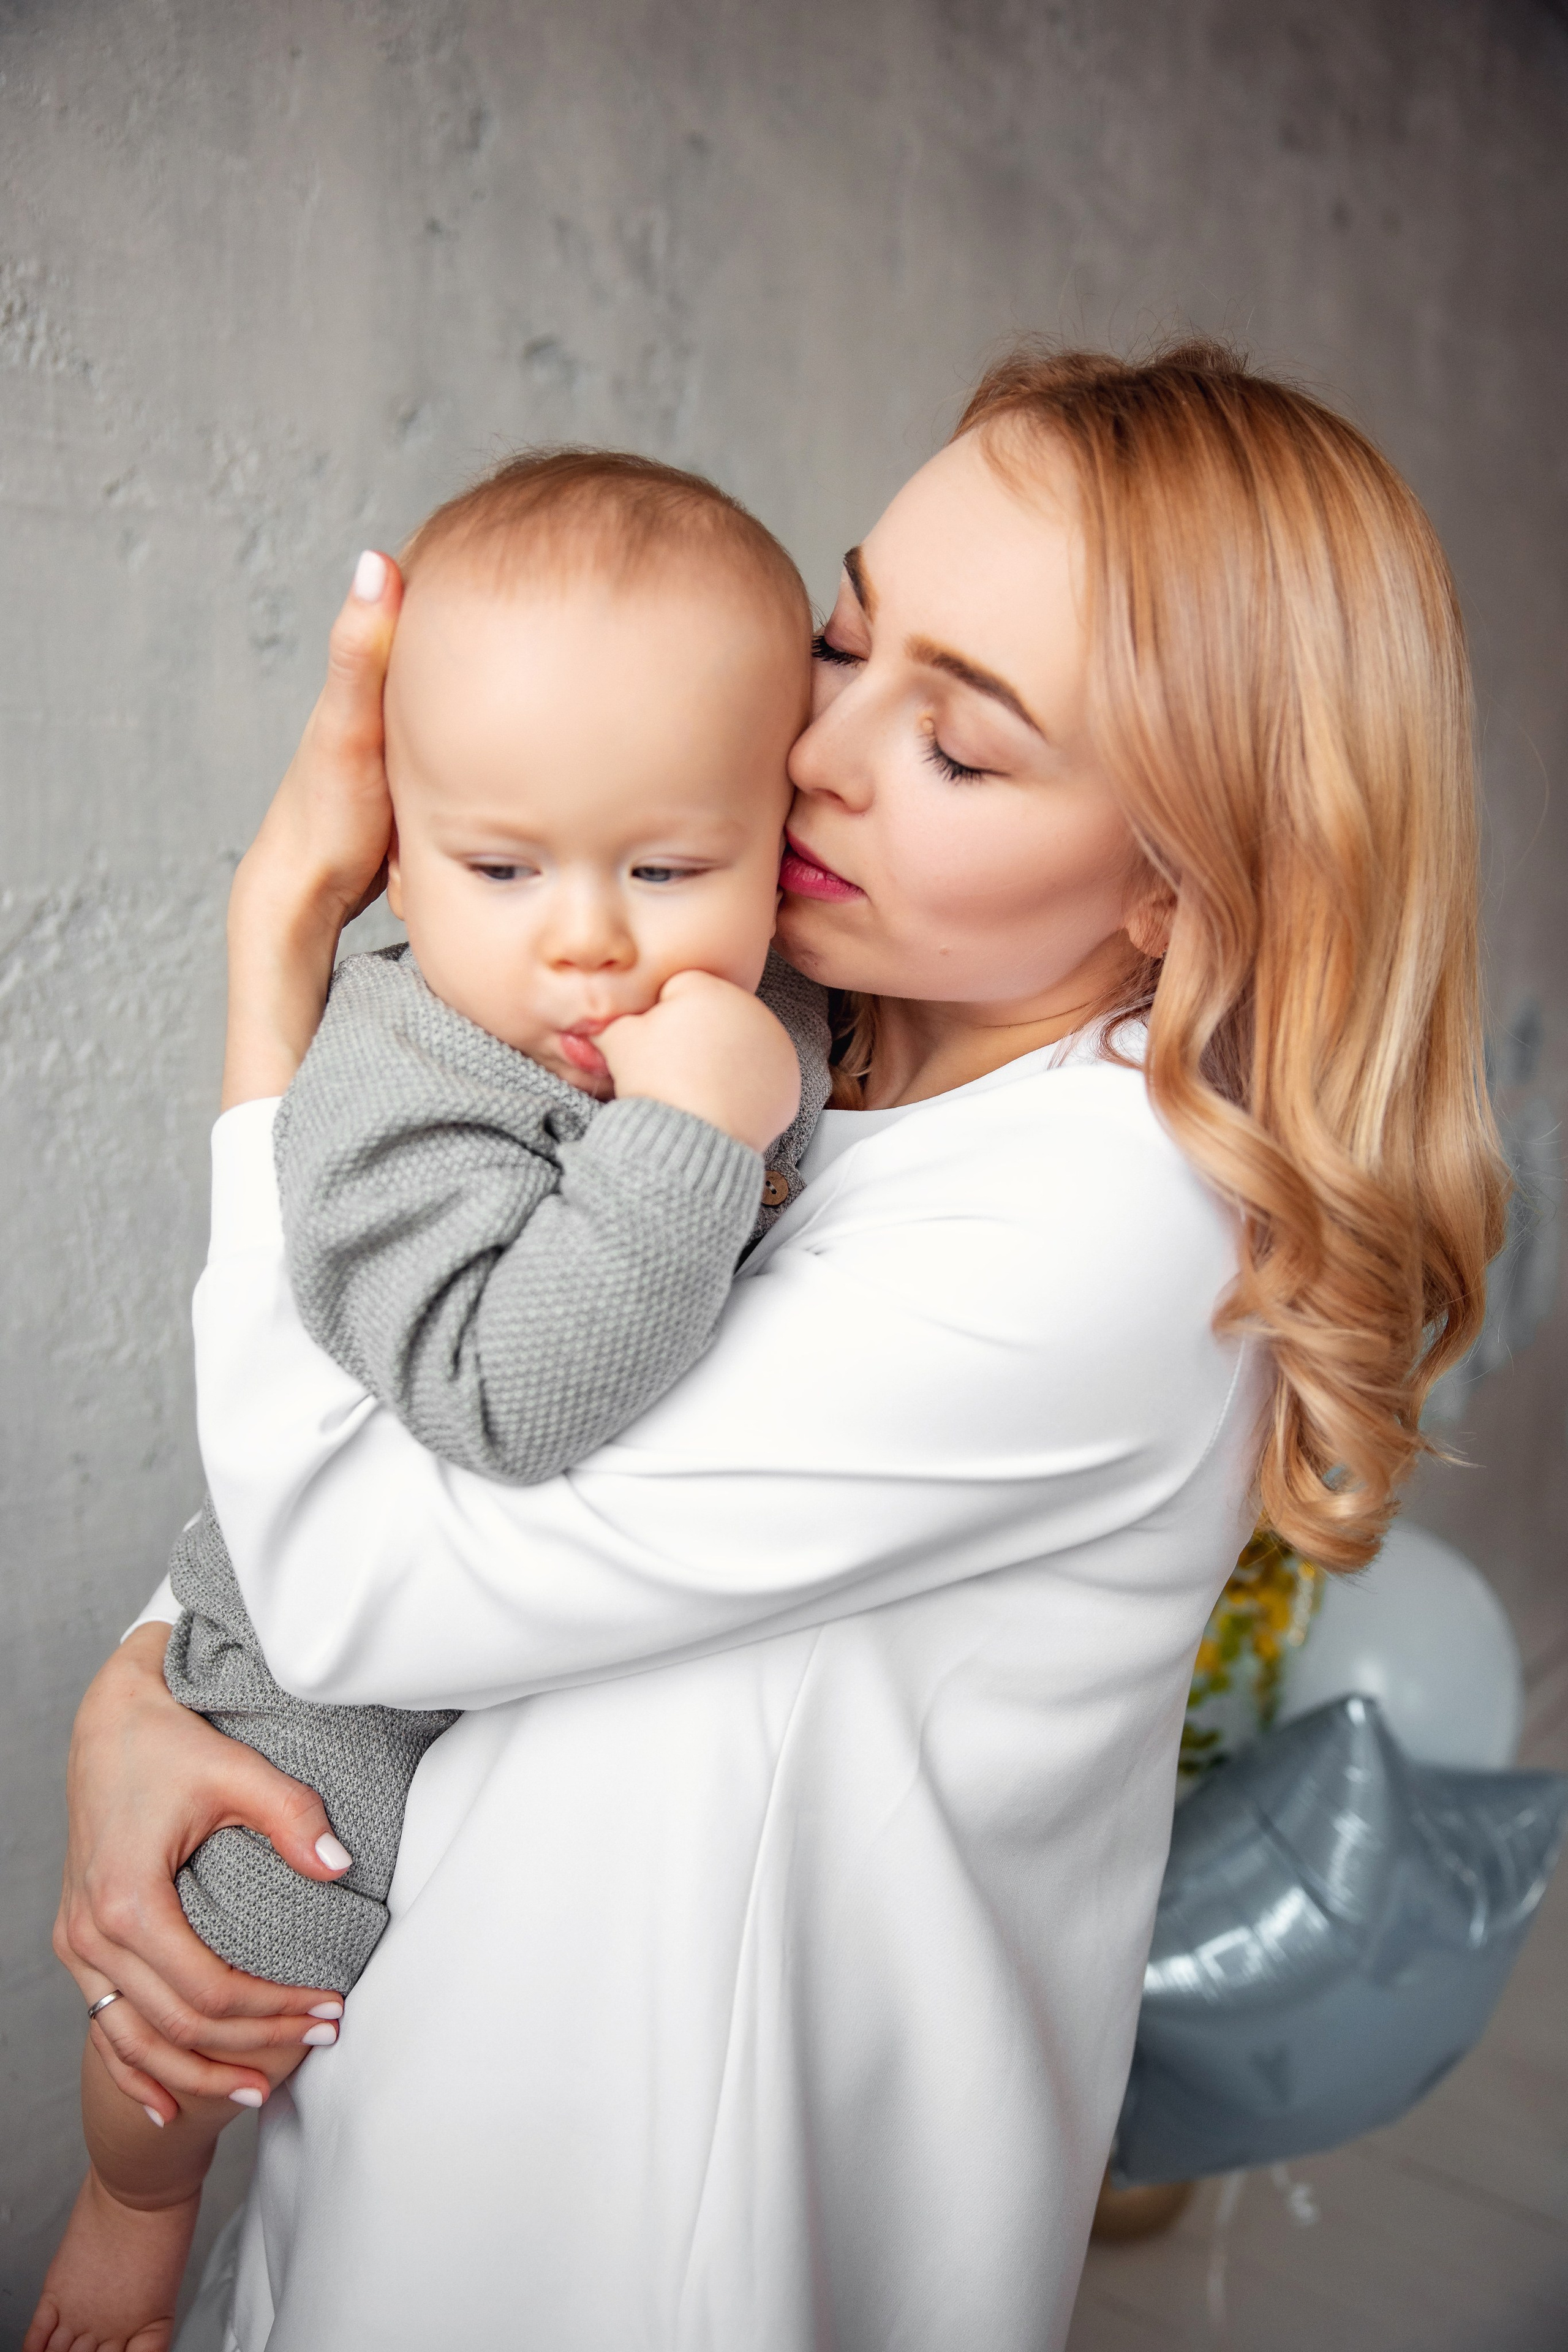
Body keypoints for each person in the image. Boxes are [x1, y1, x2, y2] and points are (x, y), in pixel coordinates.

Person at [42, 341, 1507, 2352]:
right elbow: (430, 1361)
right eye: (846, 637)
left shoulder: (1107, 1225)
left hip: (668, 2244)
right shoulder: (797, 1024)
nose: (816, 752)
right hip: (427, 2103)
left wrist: (272, 962)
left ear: (1182, 884)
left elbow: (368, 1573)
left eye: (963, 746)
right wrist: (149, 1678)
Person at [29, 447, 836, 2352]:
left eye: (671, 866)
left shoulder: (768, 1005)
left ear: (773, 839)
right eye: (499, 866)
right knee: (243, 1954)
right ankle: (128, 2214)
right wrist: (692, 1133)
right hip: (331, 1682)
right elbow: (495, 1394)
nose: (590, 937)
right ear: (394, 849)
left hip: (565, 1704)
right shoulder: (402, 1077)